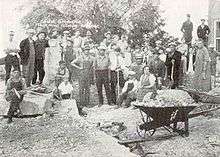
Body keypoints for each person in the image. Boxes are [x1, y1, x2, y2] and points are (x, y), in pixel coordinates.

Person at [71, 45, 93, 115]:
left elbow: (92, 66)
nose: (87, 51)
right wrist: (79, 67)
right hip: (81, 75)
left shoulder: (91, 58)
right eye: (86, 50)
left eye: (88, 50)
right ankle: (81, 103)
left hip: (88, 75)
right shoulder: (80, 58)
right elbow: (72, 63)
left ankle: (87, 103)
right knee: (81, 89)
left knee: (87, 89)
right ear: (83, 51)